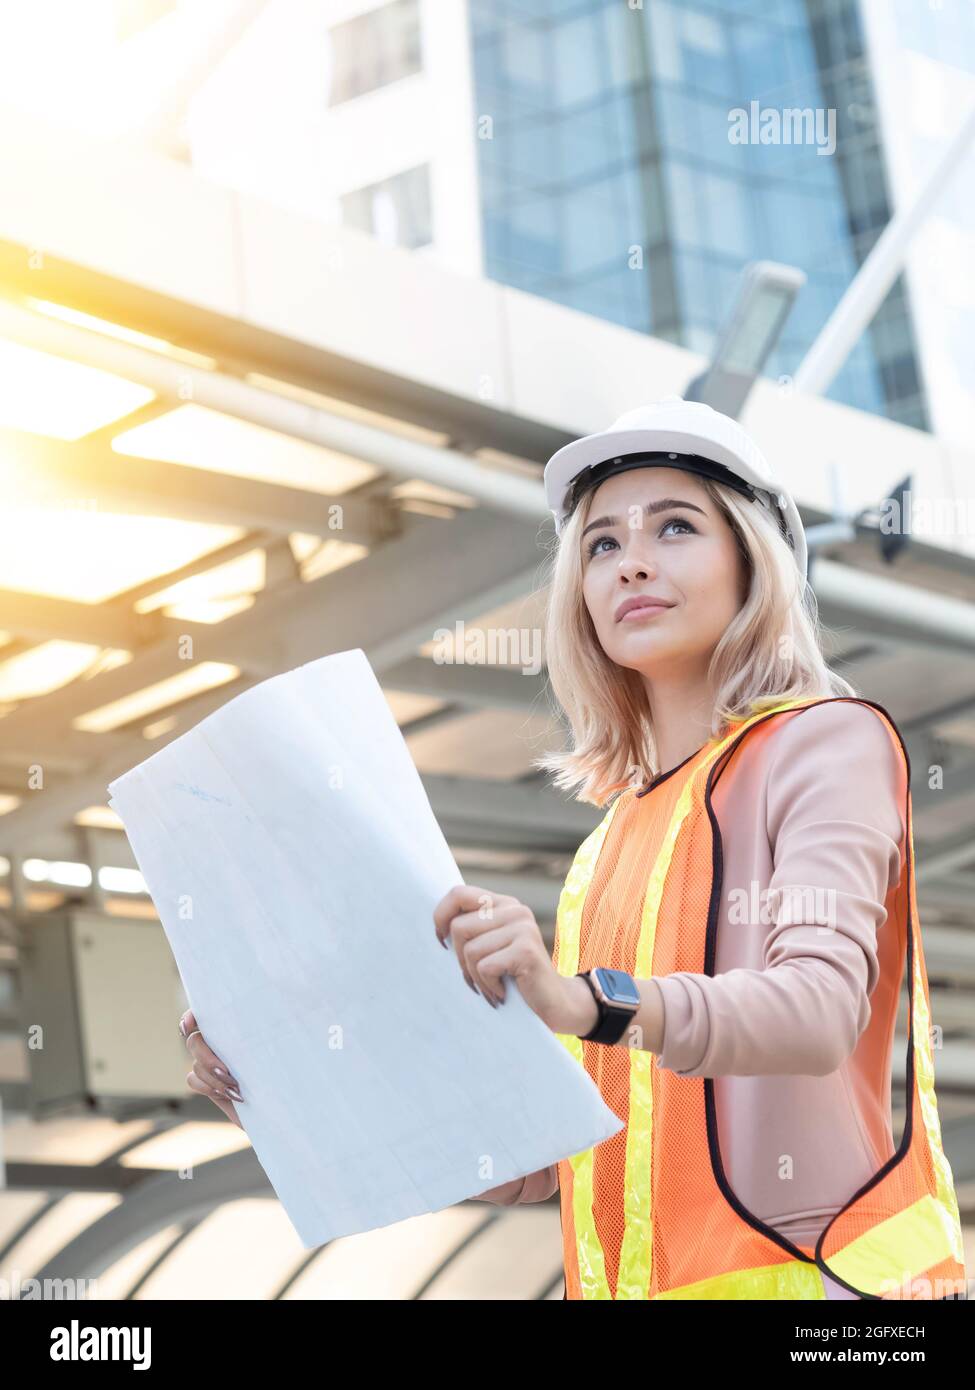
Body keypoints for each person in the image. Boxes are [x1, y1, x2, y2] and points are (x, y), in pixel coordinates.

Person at [179, 398, 966, 1302]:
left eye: (675, 527)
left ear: (753, 559)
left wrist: (578, 998)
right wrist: (287, 1088)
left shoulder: (825, 741)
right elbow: (550, 1161)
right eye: (600, 544)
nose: (631, 559)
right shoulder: (605, 850)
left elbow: (818, 1012)